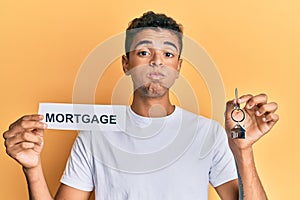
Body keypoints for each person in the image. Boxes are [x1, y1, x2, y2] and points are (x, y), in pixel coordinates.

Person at [3, 11, 279, 200]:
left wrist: (243, 149)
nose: (157, 62)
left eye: (168, 54)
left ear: (178, 67)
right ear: (126, 64)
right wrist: (32, 169)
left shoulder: (208, 134)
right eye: (144, 52)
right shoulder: (94, 134)